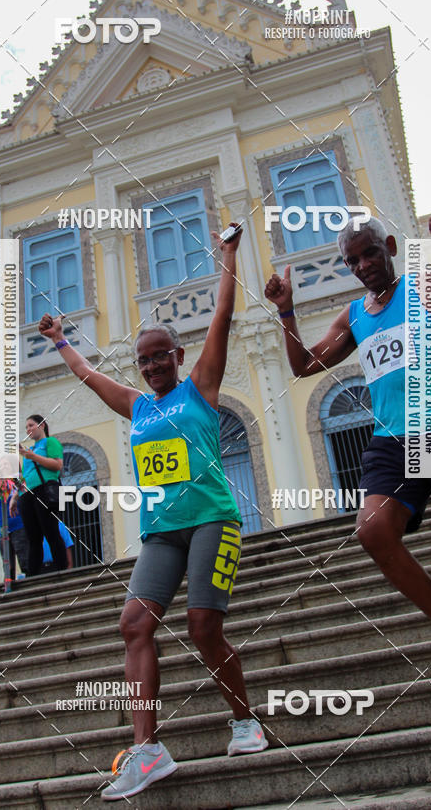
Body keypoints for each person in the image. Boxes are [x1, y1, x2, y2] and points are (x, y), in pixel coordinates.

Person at [37, 222, 267, 801]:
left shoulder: (201, 388)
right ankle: (147, 751)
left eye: (160, 356)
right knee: (133, 624)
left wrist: (229, 257)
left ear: (178, 355)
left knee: (202, 628)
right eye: (143, 360)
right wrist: (62, 339)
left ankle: (244, 721)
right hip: (162, 534)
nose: (152, 366)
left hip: (214, 519)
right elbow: (91, 378)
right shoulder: (137, 406)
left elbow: (221, 318)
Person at [265, 213, 431, 717]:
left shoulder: (427, 285)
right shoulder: (355, 315)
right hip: (398, 441)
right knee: (374, 531)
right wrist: (286, 314)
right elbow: (304, 366)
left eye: (370, 253)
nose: (363, 265)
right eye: (353, 260)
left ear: (392, 247)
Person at [14, 415, 68, 576]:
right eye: (26, 427)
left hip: (45, 490)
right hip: (27, 494)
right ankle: (33, 575)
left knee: (50, 531)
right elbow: (26, 476)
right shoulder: (30, 451)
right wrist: (15, 497)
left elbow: (57, 465)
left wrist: (32, 456)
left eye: (31, 425)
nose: (28, 429)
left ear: (42, 425)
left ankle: (62, 570)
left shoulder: (50, 442)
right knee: (32, 537)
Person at [0, 490, 29, 580]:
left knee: (24, 560)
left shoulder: (14, 486)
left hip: (18, 527)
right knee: (8, 566)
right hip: (2, 532)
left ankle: (30, 584)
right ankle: (9, 588)